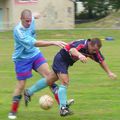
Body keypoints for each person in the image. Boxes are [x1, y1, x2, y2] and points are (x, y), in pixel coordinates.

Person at [25, 38, 117, 117]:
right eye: (93, 50)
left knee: (49, 80)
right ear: (89, 44)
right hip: (61, 58)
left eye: (96, 51)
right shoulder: (82, 44)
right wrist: (80, 55)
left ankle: (29, 92)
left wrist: (109, 72)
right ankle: (63, 108)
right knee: (65, 82)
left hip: (66, 62)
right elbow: (72, 50)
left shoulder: (95, 51)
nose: (94, 52)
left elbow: (101, 61)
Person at [8, 9, 67, 119]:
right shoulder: (18, 31)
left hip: (35, 55)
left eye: (30, 20)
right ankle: (13, 111)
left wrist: (39, 14)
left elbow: (35, 14)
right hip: (22, 59)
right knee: (21, 85)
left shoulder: (31, 19)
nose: (29, 23)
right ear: (21, 19)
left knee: (50, 77)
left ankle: (62, 107)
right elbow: (35, 43)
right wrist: (53, 42)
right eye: (27, 21)